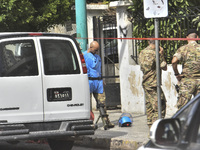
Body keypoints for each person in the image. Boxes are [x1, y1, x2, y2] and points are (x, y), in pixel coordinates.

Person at [83, 41, 114, 129]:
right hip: (89, 82)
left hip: (98, 82)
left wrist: (101, 78)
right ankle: (89, 122)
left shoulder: (97, 57)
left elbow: (98, 69)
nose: (97, 52)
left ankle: (106, 121)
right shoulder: (84, 55)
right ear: (91, 47)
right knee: (87, 104)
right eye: (95, 50)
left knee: (102, 102)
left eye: (98, 50)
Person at [139, 36, 167, 129]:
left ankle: (150, 129)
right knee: (160, 106)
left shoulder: (142, 52)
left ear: (148, 42)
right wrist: (161, 54)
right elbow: (164, 66)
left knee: (150, 106)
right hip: (154, 83)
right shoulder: (156, 54)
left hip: (146, 82)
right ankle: (156, 130)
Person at [172, 29, 200, 110]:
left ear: (187, 38)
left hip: (187, 82)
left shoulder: (183, 49)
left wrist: (177, 74)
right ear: (197, 37)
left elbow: (174, 62)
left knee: (182, 107)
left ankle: (182, 122)